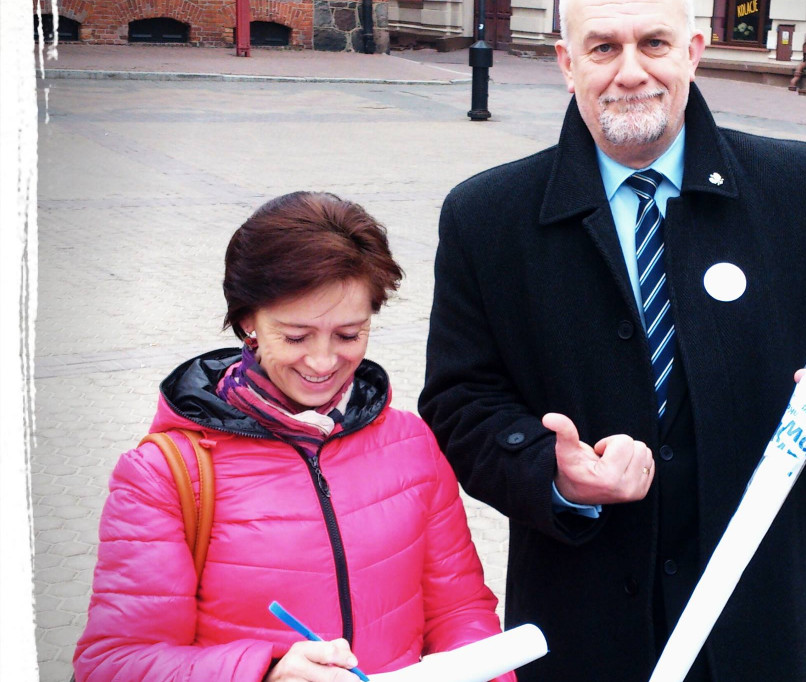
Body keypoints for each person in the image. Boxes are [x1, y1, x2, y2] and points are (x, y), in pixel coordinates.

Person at [417, 0, 806, 679]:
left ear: (693, 49)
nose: (631, 72)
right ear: (567, 65)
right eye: (603, 49)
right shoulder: (488, 216)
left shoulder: (805, 189)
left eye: (654, 43)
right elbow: (460, 399)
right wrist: (550, 470)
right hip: (587, 620)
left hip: (762, 616)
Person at [74, 192, 515, 682]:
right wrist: (266, 673)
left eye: (349, 335)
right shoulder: (162, 475)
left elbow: (461, 613)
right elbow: (113, 664)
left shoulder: (411, 443)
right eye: (296, 336)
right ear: (248, 321)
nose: (324, 363)